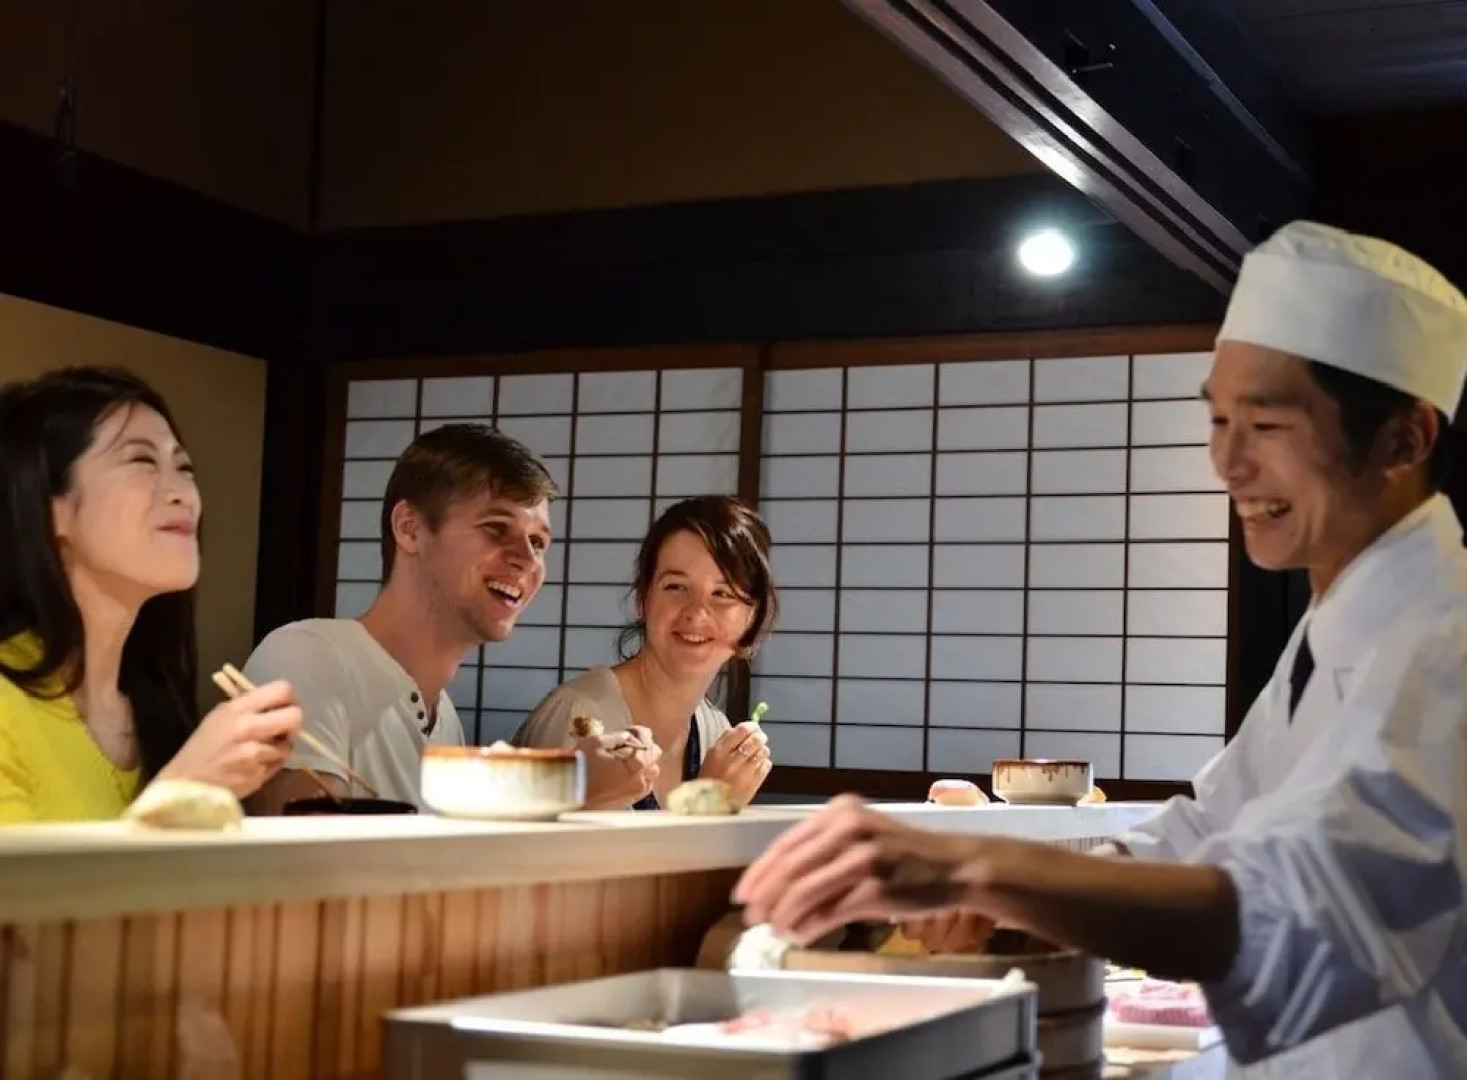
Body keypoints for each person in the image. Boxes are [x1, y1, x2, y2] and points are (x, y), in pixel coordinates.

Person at [733, 221, 1467, 1077]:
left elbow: (1301, 915)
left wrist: (974, 863)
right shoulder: (1337, 624)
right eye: (1219, 417)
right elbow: (1200, 831)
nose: (1225, 460)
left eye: (1265, 422)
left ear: (1403, 440)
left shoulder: (1443, 641)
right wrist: (1004, 890)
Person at [0, 366, 303, 823]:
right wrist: (186, 788)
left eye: (184, 467)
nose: (183, 492)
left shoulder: (155, 707)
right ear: (49, 507)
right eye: (143, 462)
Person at [245, 423, 557, 811]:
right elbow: (304, 862)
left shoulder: (444, 720)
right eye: (496, 528)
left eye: (539, 542)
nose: (527, 560)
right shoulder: (306, 657)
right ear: (409, 529)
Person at [514, 496, 777, 810]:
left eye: (722, 594)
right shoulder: (580, 716)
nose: (696, 613)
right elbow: (539, 855)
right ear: (643, 599)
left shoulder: (714, 729)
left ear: (752, 618)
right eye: (676, 587)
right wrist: (710, 801)